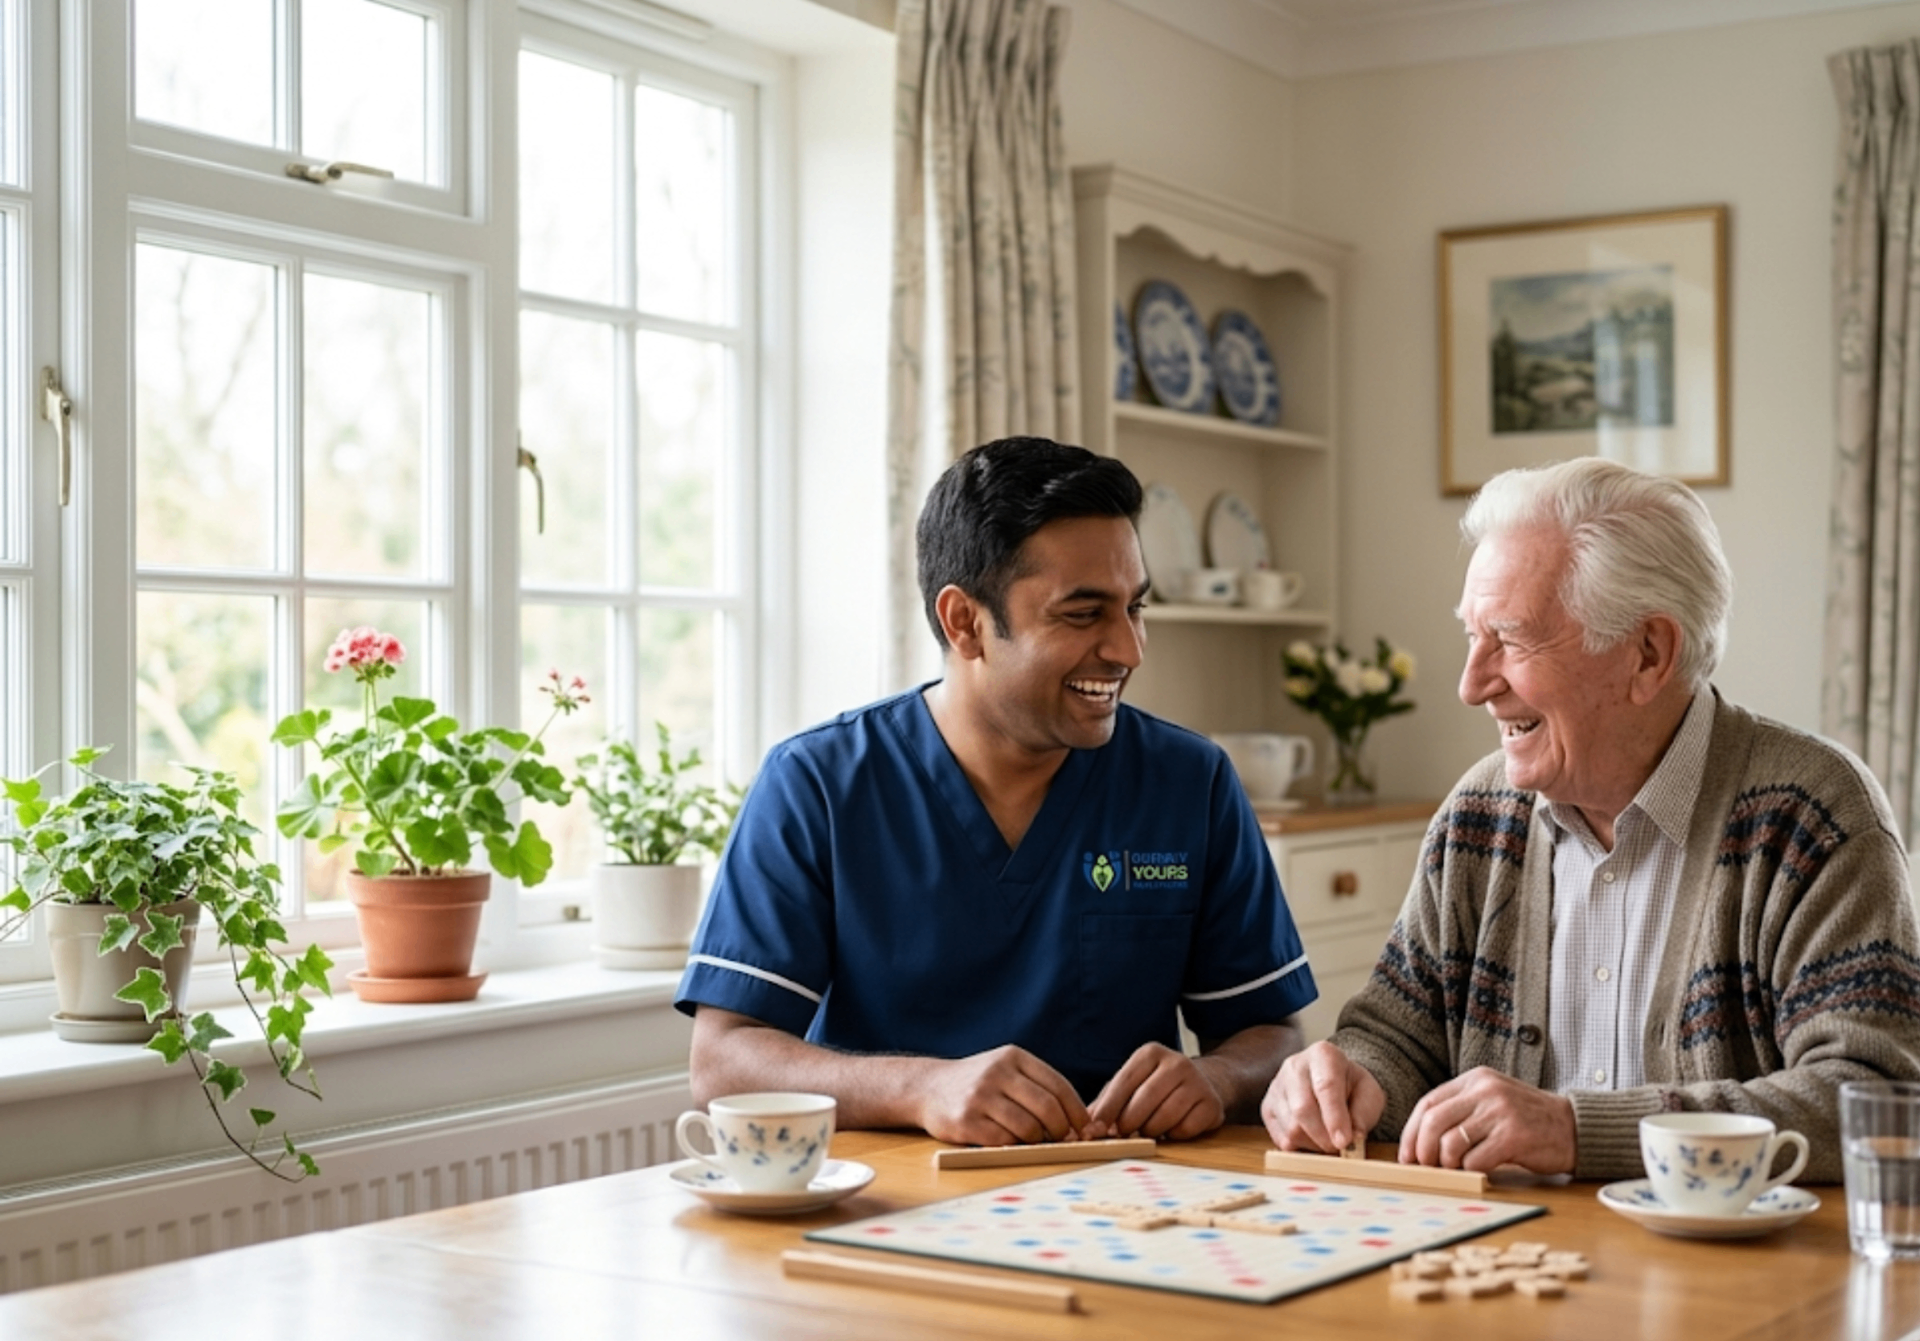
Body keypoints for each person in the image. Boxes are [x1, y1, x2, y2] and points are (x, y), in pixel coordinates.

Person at [1261, 456, 1920, 1182]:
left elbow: (1872, 1097)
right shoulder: (1478, 817)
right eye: (1471, 636)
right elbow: (1397, 1035)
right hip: (1509, 1266)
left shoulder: (1810, 817)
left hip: (1732, 1282)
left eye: (1509, 639)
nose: (1471, 683)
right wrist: (1345, 1081)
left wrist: (1580, 1131)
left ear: (1648, 653)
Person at [677, 436, 1315, 1147]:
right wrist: (922, 1087)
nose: (1130, 648)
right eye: (1083, 613)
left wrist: (1220, 1077)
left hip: (1130, 1207)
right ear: (965, 622)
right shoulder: (817, 786)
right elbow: (723, 1062)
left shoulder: (1191, 782)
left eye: (1136, 606)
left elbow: (1274, 1034)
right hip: (892, 1212)